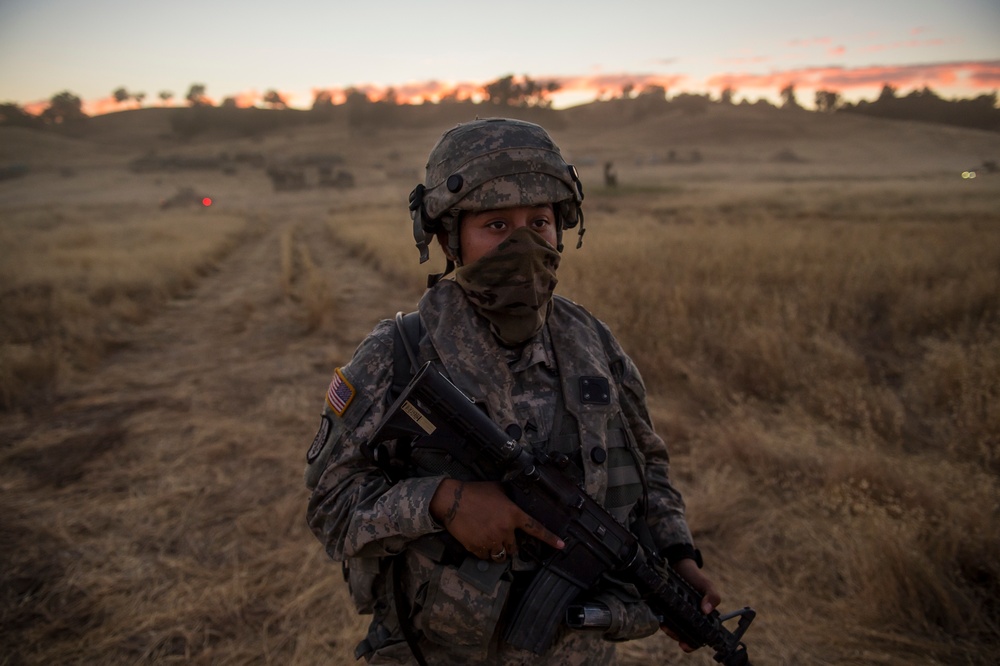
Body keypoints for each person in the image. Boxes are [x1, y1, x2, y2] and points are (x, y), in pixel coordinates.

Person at [305, 117, 720, 665]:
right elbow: (331, 505)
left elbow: (646, 465)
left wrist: (676, 553)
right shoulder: (397, 355)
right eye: (497, 225)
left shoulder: (593, 343)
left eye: (539, 222)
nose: (524, 244)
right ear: (449, 237)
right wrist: (442, 502)